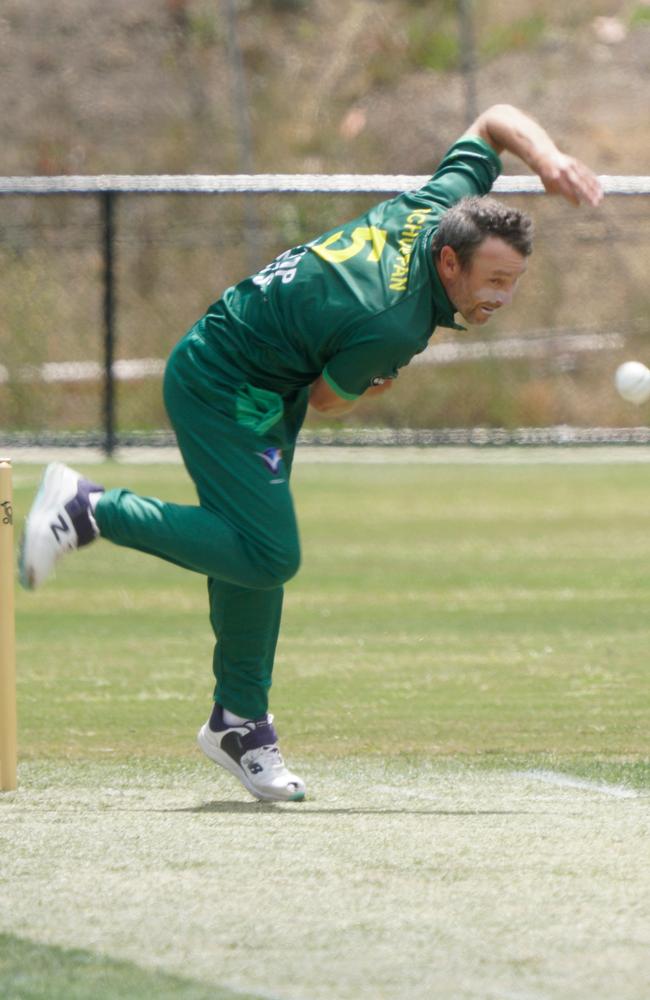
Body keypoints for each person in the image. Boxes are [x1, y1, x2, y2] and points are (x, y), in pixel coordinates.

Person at [19, 104, 603, 802]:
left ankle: (239, 722)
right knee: (270, 555)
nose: (504, 298)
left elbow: (495, 118)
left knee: (250, 551)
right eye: (495, 282)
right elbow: (331, 399)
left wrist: (546, 159)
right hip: (225, 384)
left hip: (254, 380)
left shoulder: (439, 205)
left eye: (514, 282)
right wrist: (377, 386)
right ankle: (94, 511)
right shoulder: (395, 322)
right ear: (450, 262)